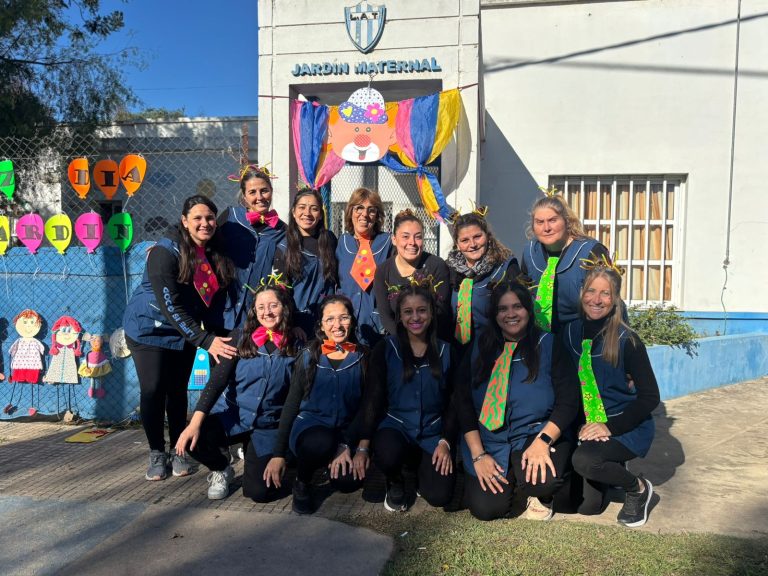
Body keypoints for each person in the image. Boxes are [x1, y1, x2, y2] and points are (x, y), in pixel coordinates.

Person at [124, 195, 236, 481]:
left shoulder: (212, 251)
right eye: (197, 218)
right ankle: (156, 452)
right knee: (153, 389)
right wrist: (206, 340)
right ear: (184, 221)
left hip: (183, 330)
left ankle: (178, 449)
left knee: (177, 391)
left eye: (209, 217)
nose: (204, 223)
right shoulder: (165, 252)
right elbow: (170, 306)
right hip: (148, 328)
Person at [454, 281, 579, 521]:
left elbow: (568, 401)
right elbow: (463, 403)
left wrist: (543, 441)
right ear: (494, 314)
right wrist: (478, 455)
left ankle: (537, 491)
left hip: (534, 433)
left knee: (543, 482)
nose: (510, 314)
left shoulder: (549, 345)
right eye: (503, 309)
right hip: (489, 440)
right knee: (486, 509)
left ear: (529, 311)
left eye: (517, 307)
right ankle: (513, 478)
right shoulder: (480, 346)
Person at [175, 282, 300, 502]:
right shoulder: (239, 337)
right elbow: (216, 382)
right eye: (261, 307)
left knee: (258, 493)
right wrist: (194, 423)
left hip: (267, 425)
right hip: (234, 416)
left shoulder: (298, 344)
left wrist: (280, 452)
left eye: (273, 305)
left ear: (285, 308)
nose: (267, 312)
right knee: (191, 436)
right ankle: (222, 467)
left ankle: (281, 458)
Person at [565, 261, 660, 527]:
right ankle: (611, 471)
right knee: (587, 508)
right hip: (585, 426)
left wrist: (609, 427)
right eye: (591, 291)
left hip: (622, 424)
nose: (596, 299)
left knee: (585, 461)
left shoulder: (626, 340)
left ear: (615, 299)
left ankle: (637, 487)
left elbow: (650, 397)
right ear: (582, 293)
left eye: (605, 293)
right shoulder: (569, 333)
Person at [354, 284, 457, 512]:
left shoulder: (447, 351)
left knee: (440, 496)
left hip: (432, 432)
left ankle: (418, 469)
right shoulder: (386, 348)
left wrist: (445, 441)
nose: (415, 317)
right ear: (399, 316)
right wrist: (363, 446)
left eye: (422, 310)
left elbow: (453, 401)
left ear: (431, 312)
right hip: (396, 427)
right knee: (389, 452)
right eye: (408, 311)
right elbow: (373, 398)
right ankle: (395, 479)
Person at [270, 295, 368, 514]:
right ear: (321, 325)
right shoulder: (309, 355)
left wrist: (346, 443)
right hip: (310, 429)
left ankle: (327, 464)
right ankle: (303, 482)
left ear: (351, 321)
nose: (337, 325)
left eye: (343, 318)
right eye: (330, 319)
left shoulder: (362, 357)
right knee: (320, 441)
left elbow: (365, 408)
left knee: (348, 482)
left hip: (344, 431)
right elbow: (291, 404)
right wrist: (278, 453)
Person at [521, 194, 610, 333]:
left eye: (552, 220)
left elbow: (606, 299)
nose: (546, 228)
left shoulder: (591, 251)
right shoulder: (530, 252)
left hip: (584, 335)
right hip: (538, 336)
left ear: (567, 221)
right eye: (539, 222)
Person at [214, 166, 287, 330]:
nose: (259, 197)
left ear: (271, 191)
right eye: (252, 192)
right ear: (244, 196)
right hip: (223, 313)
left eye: (264, 191)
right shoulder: (230, 218)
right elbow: (202, 236)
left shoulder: (282, 231)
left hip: (258, 318)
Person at [446, 211, 521, 353]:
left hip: (495, 352)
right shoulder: (449, 270)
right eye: (465, 240)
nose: (472, 244)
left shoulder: (504, 268)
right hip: (458, 356)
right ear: (457, 243)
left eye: (477, 237)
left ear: (487, 236)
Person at [373, 209, 451, 341]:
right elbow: (386, 317)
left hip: (432, 341)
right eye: (405, 236)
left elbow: (441, 313)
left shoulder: (437, 266)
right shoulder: (382, 271)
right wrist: (406, 343)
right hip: (398, 341)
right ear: (394, 239)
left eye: (418, 236)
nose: (412, 242)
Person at [274, 188, 338, 336]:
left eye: (314, 209)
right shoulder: (284, 247)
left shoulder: (330, 240)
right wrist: (291, 324)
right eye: (302, 207)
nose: (307, 213)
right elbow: (281, 292)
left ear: (321, 215)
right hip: (299, 324)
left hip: (329, 321)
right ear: (294, 212)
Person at [335, 188, 392, 346]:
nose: (364, 214)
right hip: (345, 327)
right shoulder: (341, 243)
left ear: (377, 215)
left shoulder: (388, 242)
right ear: (350, 211)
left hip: (378, 327)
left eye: (371, 210)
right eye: (359, 208)